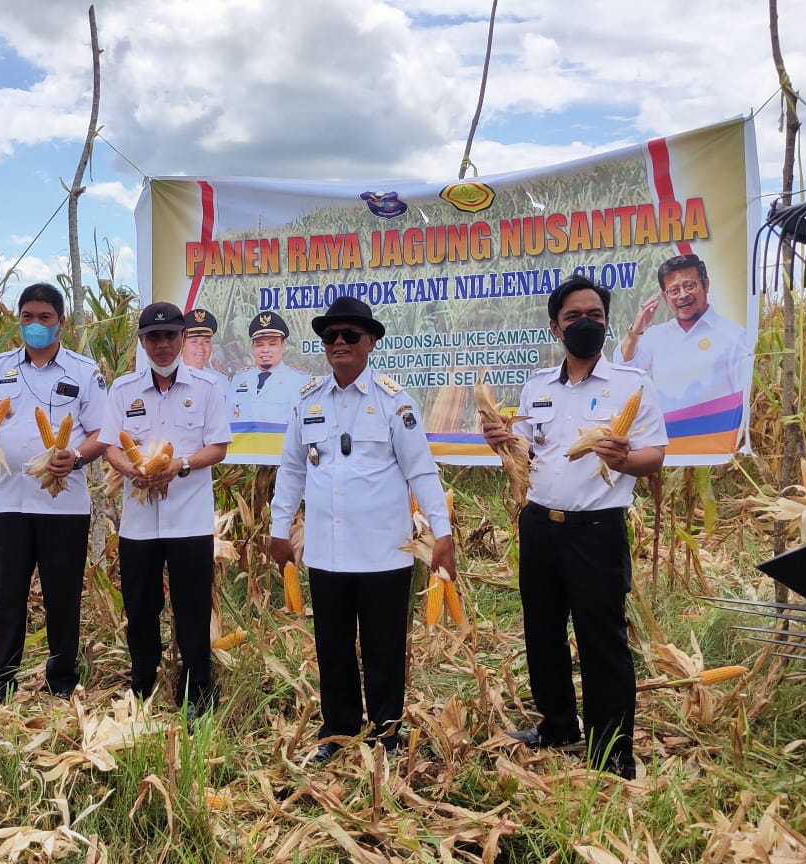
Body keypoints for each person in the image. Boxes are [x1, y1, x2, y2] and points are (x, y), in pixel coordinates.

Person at [483, 275, 668, 780]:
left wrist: (625, 457)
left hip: (596, 530)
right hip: (540, 525)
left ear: (606, 322)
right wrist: (497, 435)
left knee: (600, 638)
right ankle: (559, 725)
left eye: (594, 316)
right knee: (542, 631)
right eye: (573, 317)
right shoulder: (537, 386)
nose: (585, 323)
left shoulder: (631, 384)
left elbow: (654, 458)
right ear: (555, 327)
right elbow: (519, 447)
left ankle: (611, 752)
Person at [268, 296, 455, 762]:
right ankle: (337, 732)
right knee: (332, 649)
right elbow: (291, 470)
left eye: (350, 335)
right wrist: (278, 527)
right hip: (327, 553)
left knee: (384, 650)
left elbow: (422, 472)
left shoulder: (394, 402)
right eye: (330, 336)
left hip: (382, 553)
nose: (339, 343)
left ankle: (386, 736)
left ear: (370, 342)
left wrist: (443, 533)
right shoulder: (308, 401)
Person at [0, 282, 108, 702]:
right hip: (8, 501)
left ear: (61, 322)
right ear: (19, 321)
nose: (36, 325)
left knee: (63, 599)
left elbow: (102, 432)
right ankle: (1, 682)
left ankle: (61, 682)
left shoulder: (83, 371)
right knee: (7, 597)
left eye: (45, 318)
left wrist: (76, 457)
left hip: (64, 504)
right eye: (28, 317)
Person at [99, 301, 232, 715]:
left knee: (192, 609)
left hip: (189, 519)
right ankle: (143, 688)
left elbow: (218, 447)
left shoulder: (207, 389)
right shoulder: (123, 390)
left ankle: (196, 695)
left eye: (170, 336)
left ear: (182, 338)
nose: (162, 345)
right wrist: (132, 468)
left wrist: (181, 465)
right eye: (153, 337)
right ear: (142, 341)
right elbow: (109, 446)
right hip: (139, 524)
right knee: (140, 608)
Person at [616, 253, 751, 415]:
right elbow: (624, 366)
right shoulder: (657, 336)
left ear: (706, 285)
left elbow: (745, 397)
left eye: (689, 286)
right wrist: (637, 329)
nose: (683, 295)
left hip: (716, 435)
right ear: (665, 297)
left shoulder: (733, 335)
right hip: (668, 437)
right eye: (674, 290)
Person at [229, 311, 308, 426]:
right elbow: (227, 423)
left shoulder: (299, 381)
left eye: (272, 344)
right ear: (252, 347)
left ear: (282, 346)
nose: (265, 350)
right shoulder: (239, 379)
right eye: (260, 345)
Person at [182, 307, 229, 393]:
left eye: (206, 341)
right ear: (182, 345)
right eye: (194, 341)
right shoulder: (168, 380)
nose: (200, 346)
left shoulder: (221, 382)